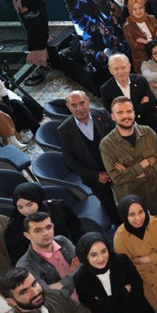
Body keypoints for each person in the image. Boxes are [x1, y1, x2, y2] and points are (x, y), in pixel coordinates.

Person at [57, 91, 118, 222]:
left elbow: (118, 139)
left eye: (82, 103)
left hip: (117, 167)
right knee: (110, 208)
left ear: (88, 101)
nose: (79, 108)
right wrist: (96, 176)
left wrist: (118, 165)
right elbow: (70, 161)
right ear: (68, 107)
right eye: (74, 105)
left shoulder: (102, 114)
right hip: (94, 177)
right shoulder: (64, 130)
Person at [99, 96, 157, 213]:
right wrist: (145, 163)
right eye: (120, 113)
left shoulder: (149, 132)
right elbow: (118, 178)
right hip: (132, 203)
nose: (126, 116)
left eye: (129, 111)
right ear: (113, 117)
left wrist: (133, 172)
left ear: (134, 113)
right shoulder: (106, 145)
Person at [73, 232, 153, 313]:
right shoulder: (81, 278)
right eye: (93, 255)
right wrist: (123, 291)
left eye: (103, 251)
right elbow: (98, 310)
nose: (101, 258)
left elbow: (138, 290)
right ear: (85, 256)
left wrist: (105, 301)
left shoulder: (122, 261)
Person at [5, 183, 82, 265]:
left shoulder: (57, 208)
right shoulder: (15, 226)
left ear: (38, 199)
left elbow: (76, 230)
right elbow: (17, 255)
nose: (26, 211)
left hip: (69, 253)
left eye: (29, 205)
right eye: (20, 207)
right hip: (40, 265)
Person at [16, 212, 78, 296]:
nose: (46, 233)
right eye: (38, 231)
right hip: (64, 303)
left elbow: (84, 265)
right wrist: (74, 276)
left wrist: (61, 284)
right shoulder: (25, 265)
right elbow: (47, 295)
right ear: (28, 235)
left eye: (48, 227)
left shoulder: (63, 241)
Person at [99, 54, 157, 131]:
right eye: (116, 69)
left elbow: (153, 105)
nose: (120, 72)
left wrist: (123, 111)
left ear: (129, 67)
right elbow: (112, 116)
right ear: (110, 70)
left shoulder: (140, 81)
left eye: (123, 67)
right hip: (126, 130)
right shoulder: (106, 89)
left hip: (150, 126)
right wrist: (140, 105)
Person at [8, 0, 51, 85]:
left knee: (40, 40)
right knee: (34, 39)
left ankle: (44, 61)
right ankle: (40, 61)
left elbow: (41, 3)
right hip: (29, 20)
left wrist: (27, 8)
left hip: (37, 20)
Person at [0, 268, 93, 313]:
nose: (35, 292)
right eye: (24, 292)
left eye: (34, 284)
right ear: (11, 301)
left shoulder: (56, 295)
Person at [122, 0, 157, 74]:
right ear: (130, 10)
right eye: (134, 9)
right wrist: (155, 39)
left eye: (140, 8)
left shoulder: (151, 18)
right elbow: (135, 46)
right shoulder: (127, 26)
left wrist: (146, 41)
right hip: (143, 60)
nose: (138, 11)